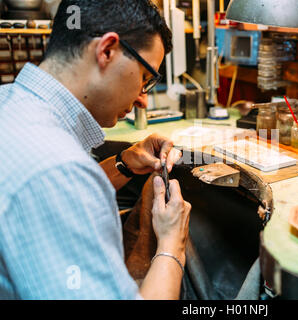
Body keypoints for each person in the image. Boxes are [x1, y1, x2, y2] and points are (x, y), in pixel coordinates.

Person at [0, 0, 191, 299]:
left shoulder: (9, 101)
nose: (143, 100)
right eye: (145, 79)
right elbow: (63, 183)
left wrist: (124, 164)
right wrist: (172, 244)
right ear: (107, 51)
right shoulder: (59, 170)